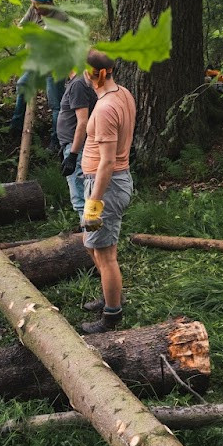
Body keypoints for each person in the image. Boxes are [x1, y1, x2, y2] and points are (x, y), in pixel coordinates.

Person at [78, 49, 135, 334]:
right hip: (108, 184)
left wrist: (93, 204)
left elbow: (108, 162)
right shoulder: (123, 93)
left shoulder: (105, 109)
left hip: (106, 188)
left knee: (106, 253)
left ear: (97, 74)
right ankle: (109, 294)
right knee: (95, 247)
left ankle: (112, 315)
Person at [8, 0, 69, 146]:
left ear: (48, 3)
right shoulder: (34, 10)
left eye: (37, 6)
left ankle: (56, 141)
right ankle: (16, 125)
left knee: (56, 104)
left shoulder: (60, 18)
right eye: (33, 5)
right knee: (22, 84)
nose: (34, 9)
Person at [56, 68, 98, 217]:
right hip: (77, 146)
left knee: (81, 199)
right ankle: (91, 234)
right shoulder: (78, 82)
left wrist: (73, 154)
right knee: (86, 195)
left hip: (79, 148)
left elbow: (82, 122)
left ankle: (91, 236)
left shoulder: (78, 84)